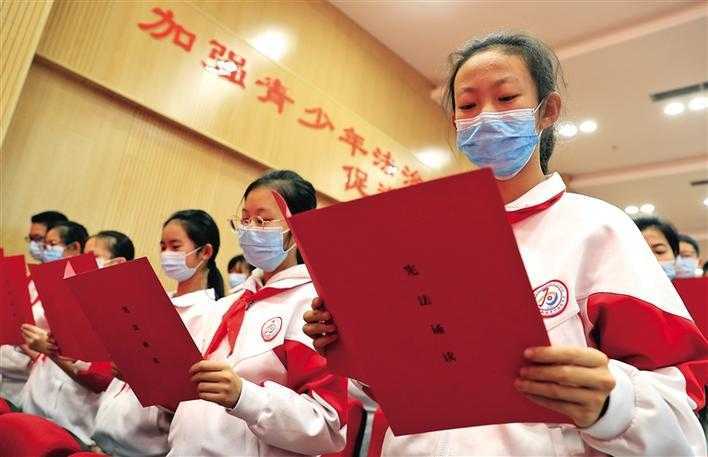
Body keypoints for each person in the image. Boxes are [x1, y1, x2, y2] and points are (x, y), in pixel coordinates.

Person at [305, 32, 707, 456]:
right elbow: (400, 389)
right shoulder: (416, 237)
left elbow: (680, 413)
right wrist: (357, 344)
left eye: (506, 98)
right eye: (468, 106)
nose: (485, 117)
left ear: (547, 111)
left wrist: (614, 404)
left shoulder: (598, 230)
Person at [167, 170, 347, 456]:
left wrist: (245, 397)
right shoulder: (227, 304)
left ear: (297, 229)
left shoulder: (314, 309)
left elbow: (326, 427)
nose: (249, 229)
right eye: (245, 219)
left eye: (262, 221)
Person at [91, 210, 221, 456]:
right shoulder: (151, 300)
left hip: (146, 446)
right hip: (106, 435)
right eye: (163, 246)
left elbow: (189, 395)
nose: (166, 254)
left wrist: (139, 376)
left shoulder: (211, 314)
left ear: (205, 252)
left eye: (175, 246)